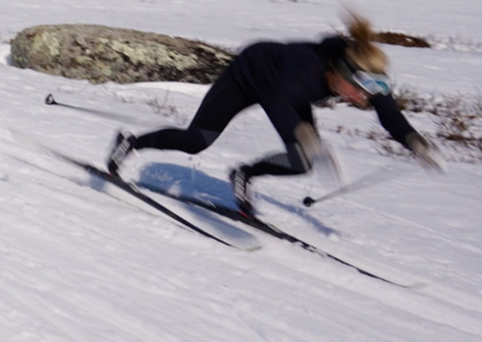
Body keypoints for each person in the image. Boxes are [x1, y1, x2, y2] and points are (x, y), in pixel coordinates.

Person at [106, 12, 442, 215]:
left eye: (371, 91)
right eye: (360, 89)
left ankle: (244, 174)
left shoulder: (363, 81)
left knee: (302, 160)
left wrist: (414, 141)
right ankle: (132, 142)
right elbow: (277, 101)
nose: (363, 98)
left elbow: (389, 114)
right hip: (249, 76)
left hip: (287, 93)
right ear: (339, 73)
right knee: (197, 140)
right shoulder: (303, 68)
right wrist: (304, 134)